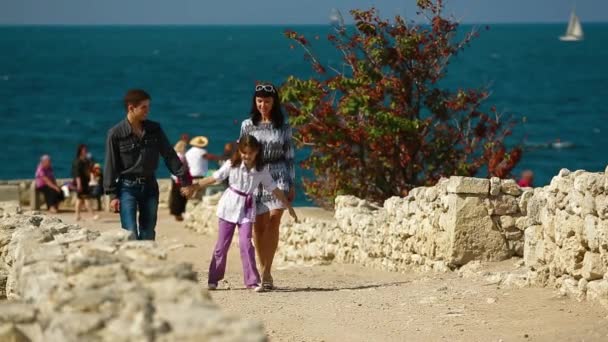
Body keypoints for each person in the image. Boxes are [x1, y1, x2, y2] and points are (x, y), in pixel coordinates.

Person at [181, 135, 298, 292]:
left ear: (256, 152)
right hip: (228, 206)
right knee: (221, 246)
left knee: (246, 244)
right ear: (240, 151)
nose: (247, 156)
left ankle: (252, 281)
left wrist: (288, 206)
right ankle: (213, 279)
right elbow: (213, 178)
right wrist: (194, 187)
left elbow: (274, 189)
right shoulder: (232, 164)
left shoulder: (261, 170)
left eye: (250, 153)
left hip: (247, 208)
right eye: (244, 153)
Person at [103, 89, 192, 240]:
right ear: (131, 108)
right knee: (129, 233)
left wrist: (183, 180)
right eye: (144, 107)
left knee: (148, 233)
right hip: (127, 188)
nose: (148, 111)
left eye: (148, 107)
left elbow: (169, 155)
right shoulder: (115, 134)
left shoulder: (155, 130)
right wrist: (112, 195)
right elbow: (110, 165)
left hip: (150, 186)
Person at [240, 83, 295, 290]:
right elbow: (243, 154)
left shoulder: (283, 126)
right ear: (255, 102)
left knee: (274, 220)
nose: (263, 105)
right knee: (258, 227)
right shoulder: (247, 125)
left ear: (274, 102)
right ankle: (263, 271)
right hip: (255, 178)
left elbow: (290, 156)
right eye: (260, 101)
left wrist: (291, 182)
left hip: (278, 174)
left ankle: (267, 272)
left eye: (267, 101)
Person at [72, 144, 97, 221]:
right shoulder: (77, 162)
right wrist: (79, 185)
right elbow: (77, 174)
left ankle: (77, 215)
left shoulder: (86, 160)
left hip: (86, 182)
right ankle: (92, 215)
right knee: (86, 199)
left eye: (86, 150)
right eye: (84, 150)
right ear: (80, 151)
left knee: (79, 199)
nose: (85, 151)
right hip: (80, 183)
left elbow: (90, 170)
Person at [169, 140, 192, 221]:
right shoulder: (181, 156)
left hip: (175, 178)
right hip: (180, 178)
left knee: (175, 195)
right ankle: (179, 213)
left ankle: (176, 212)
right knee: (180, 196)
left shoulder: (175, 155)